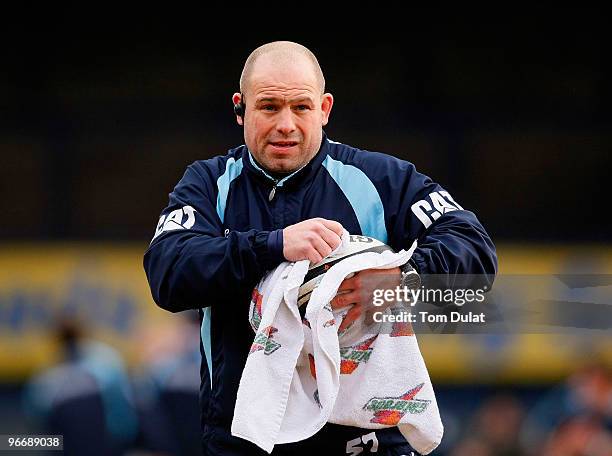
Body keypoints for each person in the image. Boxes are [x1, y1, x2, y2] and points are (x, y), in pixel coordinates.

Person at [144, 41, 497, 455]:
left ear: (325, 109)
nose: (286, 124)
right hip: (244, 440)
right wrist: (274, 246)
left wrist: (402, 279)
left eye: (301, 107)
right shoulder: (209, 184)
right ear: (240, 108)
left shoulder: (380, 179)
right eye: (269, 107)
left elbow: (476, 254)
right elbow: (168, 274)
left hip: (367, 441)